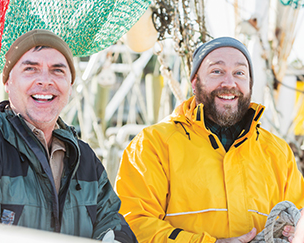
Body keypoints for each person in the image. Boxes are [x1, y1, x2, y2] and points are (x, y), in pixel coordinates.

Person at [115, 37, 304, 243]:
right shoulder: (153, 144)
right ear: (195, 82)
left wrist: (293, 232)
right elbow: (132, 224)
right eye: (217, 71)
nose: (229, 83)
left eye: (239, 73)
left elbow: (298, 214)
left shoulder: (278, 152)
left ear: (250, 84)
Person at [0, 29, 137, 243]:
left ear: (70, 86)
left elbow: (112, 223)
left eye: (57, 71)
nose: (45, 81)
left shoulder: (85, 158)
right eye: (31, 69)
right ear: (7, 82)